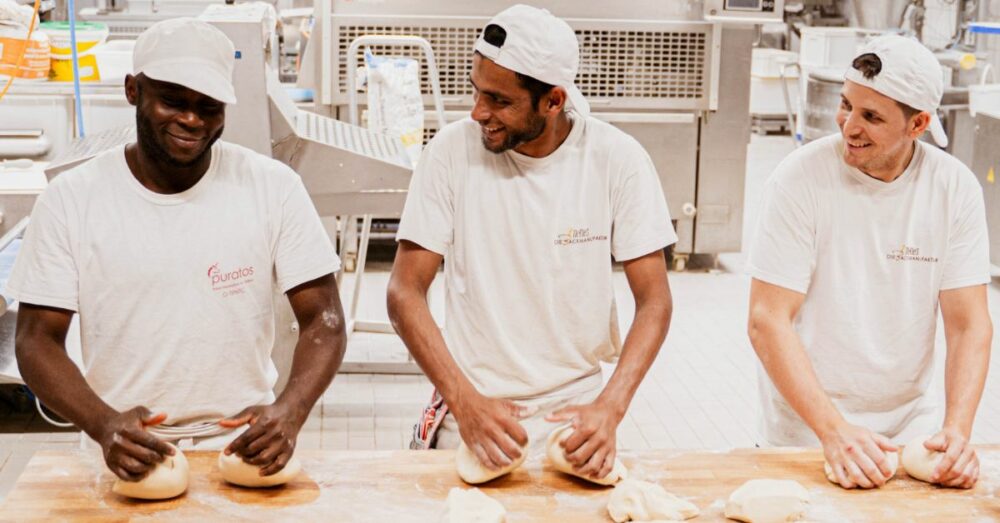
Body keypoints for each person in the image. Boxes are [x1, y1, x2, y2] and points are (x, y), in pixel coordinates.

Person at [9, 17, 346, 482]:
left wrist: (291, 409)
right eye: (172, 101)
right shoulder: (73, 198)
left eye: (208, 107)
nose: (192, 120)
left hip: (241, 448)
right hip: (121, 450)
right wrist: (103, 423)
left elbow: (324, 321)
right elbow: (35, 340)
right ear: (133, 91)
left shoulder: (272, 188)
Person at [387, 4, 676, 481]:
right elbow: (404, 291)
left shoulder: (615, 160)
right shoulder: (450, 154)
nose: (478, 112)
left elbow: (655, 301)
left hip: (575, 420)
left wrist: (610, 408)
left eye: (499, 101)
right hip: (475, 410)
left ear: (554, 101)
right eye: (476, 90)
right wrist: (464, 401)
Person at [747, 34, 992, 489]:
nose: (848, 126)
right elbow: (767, 319)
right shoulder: (800, 180)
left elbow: (969, 324)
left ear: (917, 124)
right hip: (806, 434)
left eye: (871, 117)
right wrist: (833, 431)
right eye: (846, 105)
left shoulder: (953, 189)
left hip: (910, 436)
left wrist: (957, 432)